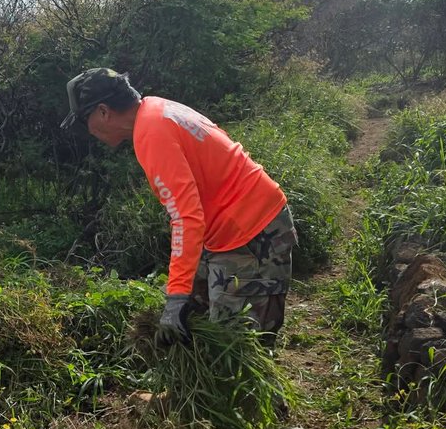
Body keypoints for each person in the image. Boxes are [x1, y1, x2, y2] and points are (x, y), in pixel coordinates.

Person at [61, 67, 298, 348]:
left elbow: (186, 216)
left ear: (103, 111)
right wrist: (179, 294)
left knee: (235, 347)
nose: (88, 131)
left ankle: (240, 390)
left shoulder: (152, 132)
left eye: (84, 121)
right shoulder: (156, 109)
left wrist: (176, 296)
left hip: (253, 232)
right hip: (230, 229)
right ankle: (186, 388)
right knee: (192, 316)